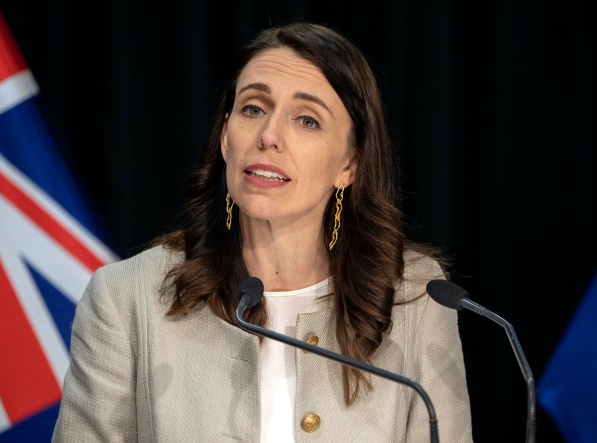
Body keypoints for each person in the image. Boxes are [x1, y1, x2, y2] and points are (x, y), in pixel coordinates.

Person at [52, 22, 472, 442]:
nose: (269, 136)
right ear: (224, 138)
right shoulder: (127, 298)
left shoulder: (416, 297)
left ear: (349, 165)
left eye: (307, 120)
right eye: (253, 109)